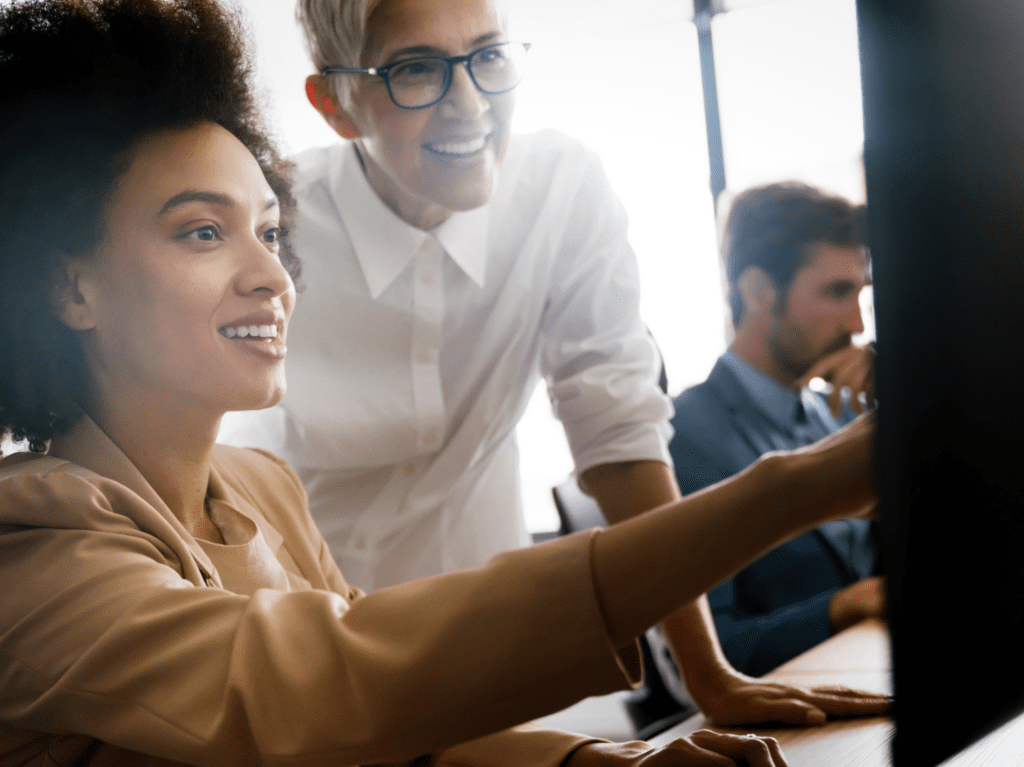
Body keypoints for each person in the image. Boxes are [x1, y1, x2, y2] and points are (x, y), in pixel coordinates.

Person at [0, 1, 887, 765]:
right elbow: (330, 684)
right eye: (201, 232)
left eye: (269, 234)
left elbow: (398, 737)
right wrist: (798, 486)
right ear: (67, 286)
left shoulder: (258, 492)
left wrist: (602, 758)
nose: (273, 277)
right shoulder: (33, 547)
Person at [650, 182, 884, 701]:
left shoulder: (831, 416)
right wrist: (844, 604)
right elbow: (707, 658)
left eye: (861, 293)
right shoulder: (684, 435)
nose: (858, 323)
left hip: (864, 676)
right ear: (758, 291)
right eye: (836, 292)